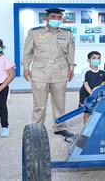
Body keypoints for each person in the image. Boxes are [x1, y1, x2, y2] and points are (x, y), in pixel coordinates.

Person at [22, 8, 75, 139]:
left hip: (60, 71)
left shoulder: (67, 34)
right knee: (39, 104)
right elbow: (27, 52)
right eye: (53, 17)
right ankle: (37, 128)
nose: (56, 19)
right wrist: (26, 67)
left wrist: (71, 68)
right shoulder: (34, 33)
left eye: (59, 17)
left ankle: (60, 127)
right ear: (46, 18)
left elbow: (70, 52)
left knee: (59, 102)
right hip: (40, 71)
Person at [79, 51, 105, 124]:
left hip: (98, 94)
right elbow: (85, 84)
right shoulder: (86, 71)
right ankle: (86, 129)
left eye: (98, 58)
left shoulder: (102, 71)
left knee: (97, 111)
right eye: (94, 58)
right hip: (87, 94)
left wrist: (98, 88)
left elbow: (103, 82)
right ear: (88, 60)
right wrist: (92, 93)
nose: (96, 60)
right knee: (87, 112)